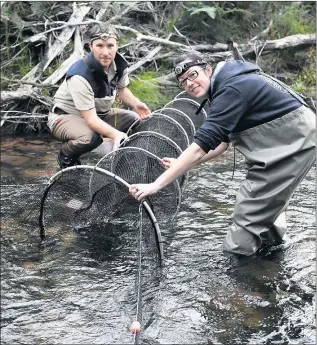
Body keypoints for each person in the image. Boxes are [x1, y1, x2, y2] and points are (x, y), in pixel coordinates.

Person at [129, 50, 316, 256]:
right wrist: (181, 163)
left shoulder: (231, 89)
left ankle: (239, 268)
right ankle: (271, 253)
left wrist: (156, 185)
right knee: (266, 201)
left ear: (208, 70)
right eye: (183, 82)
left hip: (293, 140)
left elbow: (201, 146)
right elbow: (222, 143)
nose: (189, 83)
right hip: (287, 139)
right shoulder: (224, 84)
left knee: (249, 210)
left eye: (193, 75)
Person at [47, 23, 151, 169]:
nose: (105, 52)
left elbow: (121, 90)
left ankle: (126, 161)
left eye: (110, 46)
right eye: (100, 46)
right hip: (65, 117)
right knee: (91, 138)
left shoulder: (119, 66)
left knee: (134, 120)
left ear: (116, 46)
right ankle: (66, 154)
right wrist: (116, 134)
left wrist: (135, 103)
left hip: (99, 114)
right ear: (91, 47)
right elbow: (91, 119)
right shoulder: (80, 75)